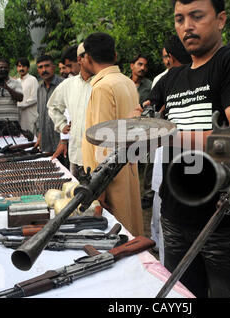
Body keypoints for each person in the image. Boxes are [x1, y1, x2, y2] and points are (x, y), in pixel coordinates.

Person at [135, 0, 230, 297]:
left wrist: (168, 137)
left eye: (196, 16)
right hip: (174, 214)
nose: (187, 26)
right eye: (179, 19)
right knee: (181, 294)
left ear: (220, 20)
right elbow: (148, 119)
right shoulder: (171, 79)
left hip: (223, 217)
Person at [81, 32, 144, 237]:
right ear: (115, 55)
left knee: (117, 233)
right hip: (127, 167)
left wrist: (99, 188)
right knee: (130, 226)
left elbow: (103, 141)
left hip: (109, 176)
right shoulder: (126, 82)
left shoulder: (103, 87)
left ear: (88, 58)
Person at [146, 34, 192, 264]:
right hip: (181, 163)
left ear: (171, 57)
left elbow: (150, 112)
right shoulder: (164, 80)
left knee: (167, 219)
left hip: (173, 159)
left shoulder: (166, 79)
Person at [48, 43, 93, 174]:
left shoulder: (100, 83)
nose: (67, 70)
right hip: (76, 153)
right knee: (76, 191)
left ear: (80, 61)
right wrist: (62, 125)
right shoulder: (68, 84)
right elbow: (53, 106)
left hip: (97, 155)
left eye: (69, 65)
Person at [35, 54, 70, 169]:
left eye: (47, 66)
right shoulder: (39, 89)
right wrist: (40, 136)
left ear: (54, 67)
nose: (44, 70)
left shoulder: (65, 84)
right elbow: (40, 115)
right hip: (46, 142)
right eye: (40, 67)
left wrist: (65, 139)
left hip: (64, 142)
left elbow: (70, 114)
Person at [16, 57, 39, 137]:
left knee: (31, 137)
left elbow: (34, 98)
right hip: (19, 115)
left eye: (23, 66)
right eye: (19, 66)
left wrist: (21, 105)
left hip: (30, 114)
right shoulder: (16, 82)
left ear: (28, 68)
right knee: (21, 139)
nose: (21, 68)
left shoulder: (33, 79)